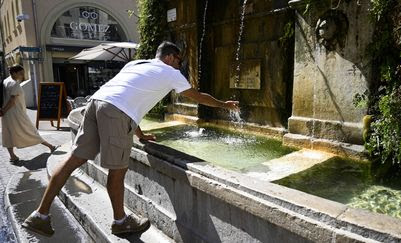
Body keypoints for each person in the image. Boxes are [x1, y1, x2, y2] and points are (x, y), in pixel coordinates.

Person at [22, 41, 239, 237]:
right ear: (170, 57)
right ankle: (120, 222)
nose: (179, 66)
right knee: (117, 170)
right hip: (115, 111)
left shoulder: (135, 64)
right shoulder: (170, 72)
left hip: (96, 103)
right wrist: (223, 105)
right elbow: (198, 96)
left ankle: (39, 215)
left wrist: (140, 135)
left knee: (73, 160)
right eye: (179, 61)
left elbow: (129, 98)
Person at [1, 64, 58, 162]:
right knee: (30, 130)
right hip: (16, 113)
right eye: (20, 73)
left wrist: (3, 111)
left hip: (7, 114)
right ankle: (51, 146)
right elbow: (12, 100)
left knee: (8, 133)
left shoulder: (6, 81)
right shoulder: (14, 83)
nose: (22, 75)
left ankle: (12, 156)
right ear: (14, 72)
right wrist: (4, 111)